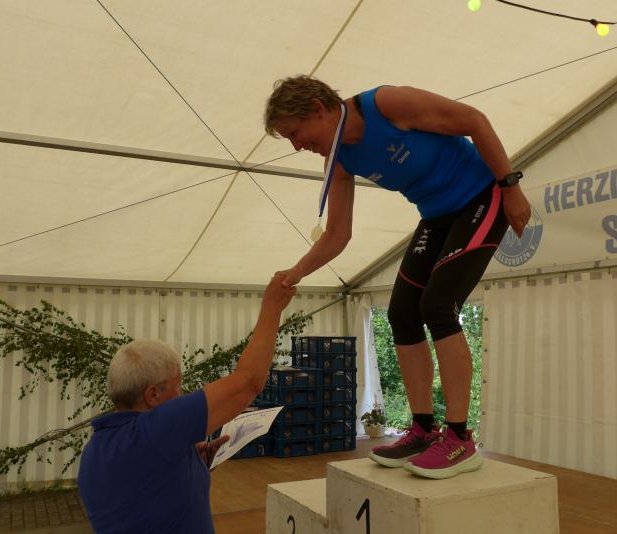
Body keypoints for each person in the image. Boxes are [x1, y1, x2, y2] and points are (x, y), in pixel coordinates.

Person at [265, 76, 531, 479]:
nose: (297, 145)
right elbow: (337, 234)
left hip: (482, 196)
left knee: (438, 305)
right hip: (437, 216)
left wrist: (510, 186)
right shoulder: (339, 159)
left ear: (318, 109)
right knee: (402, 312)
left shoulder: (386, 105)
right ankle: (424, 430)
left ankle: (460, 438)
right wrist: (296, 272)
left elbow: (475, 121)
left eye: (295, 133)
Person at [78, 275, 295, 533]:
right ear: (153, 395)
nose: (182, 394)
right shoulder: (154, 432)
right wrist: (272, 306)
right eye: (178, 386)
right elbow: (249, 383)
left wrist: (188, 465)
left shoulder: (95, 451)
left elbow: (147, 495)